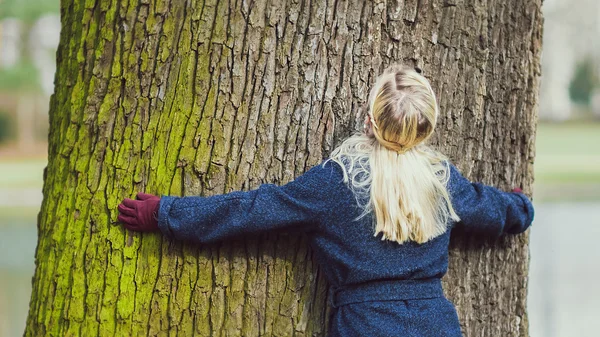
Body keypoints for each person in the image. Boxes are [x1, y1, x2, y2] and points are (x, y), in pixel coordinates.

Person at [117, 65, 534, 336]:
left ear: (369, 121)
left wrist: (166, 212)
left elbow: (254, 209)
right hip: (436, 325)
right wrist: (521, 207)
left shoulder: (336, 181)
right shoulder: (442, 180)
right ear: (426, 130)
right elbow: (492, 209)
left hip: (365, 326)